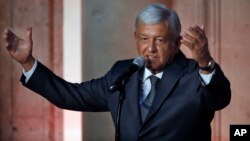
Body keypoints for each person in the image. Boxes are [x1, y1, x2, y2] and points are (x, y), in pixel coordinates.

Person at [3, 3, 231, 141]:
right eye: (143, 39)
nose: (149, 49)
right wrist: (28, 63)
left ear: (177, 42)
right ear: (135, 38)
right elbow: (70, 96)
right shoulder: (123, 72)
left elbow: (220, 97)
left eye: (160, 40)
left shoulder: (194, 74)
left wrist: (205, 62)